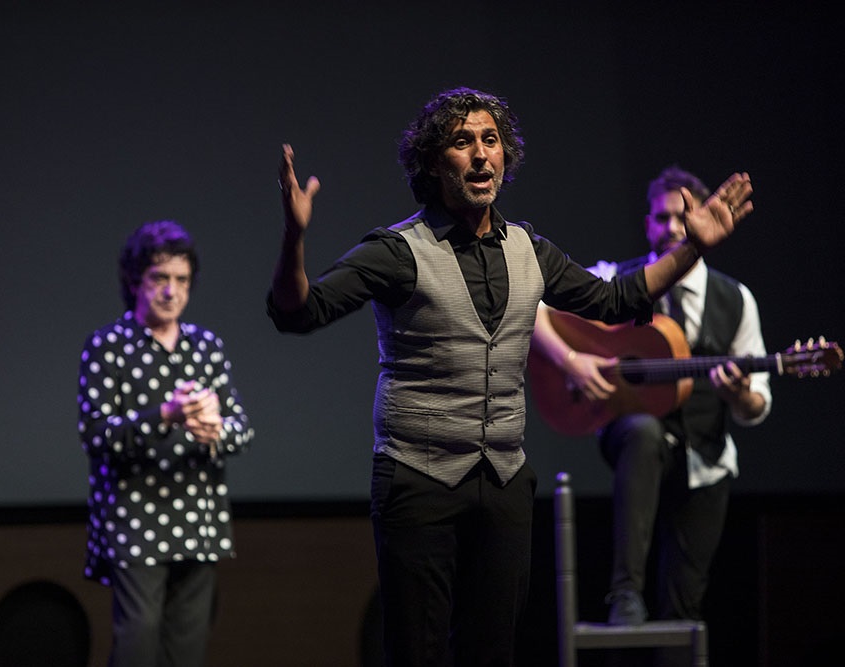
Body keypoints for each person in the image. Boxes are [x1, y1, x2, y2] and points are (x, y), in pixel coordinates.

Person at [267, 87, 753, 667]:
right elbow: (299, 312)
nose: (480, 154)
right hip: (418, 479)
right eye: (462, 141)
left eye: (491, 140)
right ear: (433, 162)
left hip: (503, 482)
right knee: (417, 652)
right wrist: (294, 236)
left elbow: (617, 300)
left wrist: (692, 248)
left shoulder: (530, 249)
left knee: (492, 651)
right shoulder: (396, 251)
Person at [531, 166, 771, 644]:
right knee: (642, 432)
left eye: (684, 217)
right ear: (648, 224)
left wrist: (738, 394)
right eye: (663, 217)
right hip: (635, 437)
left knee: (684, 605)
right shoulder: (613, 280)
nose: (674, 228)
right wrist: (572, 360)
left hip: (704, 455)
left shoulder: (736, 299)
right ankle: (624, 592)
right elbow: (532, 306)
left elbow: (756, 404)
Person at [77, 219, 255, 667]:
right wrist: (165, 416)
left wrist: (216, 431)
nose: (171, 291)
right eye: (160, 278)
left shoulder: (206, 346)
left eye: (182, 280)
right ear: (135, 280)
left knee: (187, 650)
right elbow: (96, 435)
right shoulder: (107, 346)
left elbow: (241, 429)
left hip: (199, 521)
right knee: (137, 646)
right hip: (135, 521)